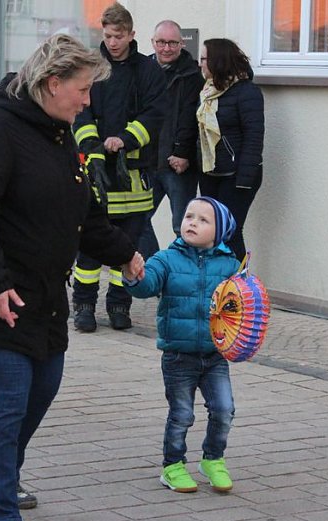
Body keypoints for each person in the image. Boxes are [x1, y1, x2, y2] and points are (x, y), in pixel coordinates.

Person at [0, 34, 144, 521]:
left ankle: (3, 472)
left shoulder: (59, 133)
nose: (87, 100)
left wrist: (124, 252)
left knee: (42, 387)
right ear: (52, 84)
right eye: (83, 89)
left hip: (44, 293)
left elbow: (85, 213)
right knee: (5, 399)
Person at [123, 197, 240, 494]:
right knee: (181, 414)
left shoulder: (229, 265)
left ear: (220, 231)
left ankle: (213, 459)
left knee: (224, 409)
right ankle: (173, 466)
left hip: (215, 355)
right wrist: (133, 275)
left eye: (203, 220)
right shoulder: (166, 259)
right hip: (178, 355)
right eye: (189, 216)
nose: (192, 223)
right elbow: (147, 286)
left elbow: (239, 306)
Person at [72, 1, 167, 333]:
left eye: (119, 36)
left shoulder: (147, 70)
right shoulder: (92, 67)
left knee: (127, 244)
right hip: (97, 170)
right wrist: (92, 146)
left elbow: (155, 114)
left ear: (131, 35)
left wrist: (125, 139)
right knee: (90, 244)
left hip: (134, 171)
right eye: (108, 35)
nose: (112, 42)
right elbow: (80, 112)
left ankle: (118, 305)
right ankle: (83, 304)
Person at [137, 20, 205, 260]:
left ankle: (180, 280)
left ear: (181, 43)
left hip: (178, 164)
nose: (166, 48)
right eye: (161, 42)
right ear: (153, 42)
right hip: (146, 160)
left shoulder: (193, 75)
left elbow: (192, 118)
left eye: (172, 43)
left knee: (184, 227)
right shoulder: (141, 69)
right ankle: (157, 270)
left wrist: (182, 152)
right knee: (138, 220)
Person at [197, 38, 265, 262]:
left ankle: (240, 288)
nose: (201, 64)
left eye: (205, 58)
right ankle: (218, 286)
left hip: (237, 176)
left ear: (218, 61)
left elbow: (254, 137)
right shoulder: (207, 91)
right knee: (211, 233)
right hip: (211, 172)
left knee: (230, 232)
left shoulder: (247, 92)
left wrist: (244, 180)